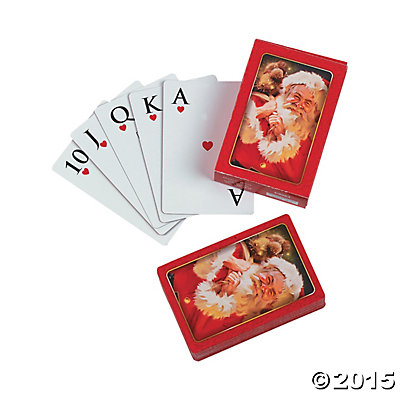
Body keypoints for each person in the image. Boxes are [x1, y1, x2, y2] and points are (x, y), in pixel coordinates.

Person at [169, 236, 304, 341]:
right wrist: (230, 261)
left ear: (270, 303)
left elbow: (199, 333)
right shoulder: (240, 253)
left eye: (271, 292)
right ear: (265, 268)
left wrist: (224, 294)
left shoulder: (241, 317)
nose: (263, 287)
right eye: (268, 279)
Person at [231, 70, 328, 183]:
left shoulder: (309, 140)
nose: (299, 105)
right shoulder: (257, 102)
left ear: (313, 109)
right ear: (286, 92)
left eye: (307, 103)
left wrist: (281, 135)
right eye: (297, 96)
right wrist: (260, 111)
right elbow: (227, 132)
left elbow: (295, 178)